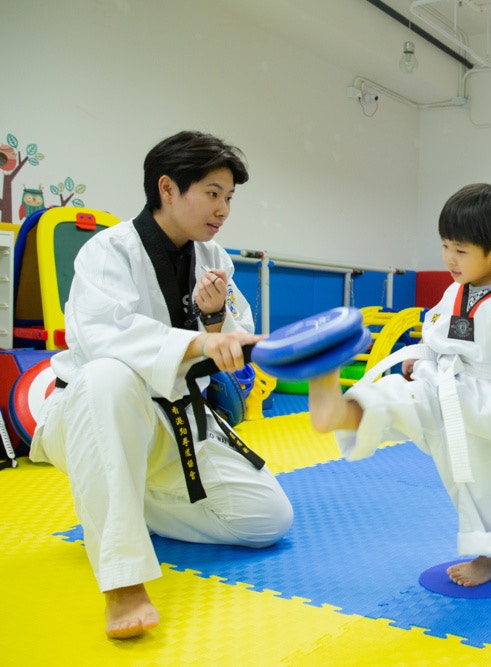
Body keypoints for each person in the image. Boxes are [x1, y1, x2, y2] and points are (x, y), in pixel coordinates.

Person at [29, 131, 294, 639]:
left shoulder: (214, 258)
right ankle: (123, 581)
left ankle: (121, 500)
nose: (223, 209)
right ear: (167, 188)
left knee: (266, 519)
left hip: (174, 421)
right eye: (212, 193)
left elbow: (230, 341)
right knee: (109, 376)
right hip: (93, 415)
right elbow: (105, 338)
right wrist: (199, 341)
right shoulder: (107, 252)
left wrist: (214, 320)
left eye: (229, 197)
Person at [307, 183, 491, 588]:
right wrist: (424, 355)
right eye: (445, 245)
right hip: (444, 383)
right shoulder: (457, 288)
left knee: (483, 484)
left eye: (460, 250)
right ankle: (345, 411)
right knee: (403, 395)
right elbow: (438, 332)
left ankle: (490, 555)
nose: (448, 258)